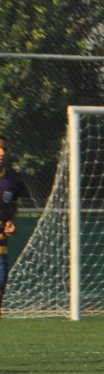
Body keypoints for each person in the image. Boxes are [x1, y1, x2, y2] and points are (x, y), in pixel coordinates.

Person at [0, 135, 23, 317]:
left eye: (4, 149)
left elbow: (12, 206)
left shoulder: (13, 180)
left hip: (1, 242)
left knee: (1, 280)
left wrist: (10, 222)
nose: (2, 153)